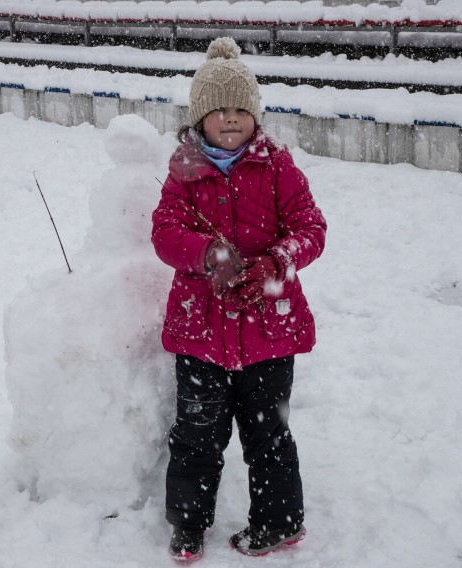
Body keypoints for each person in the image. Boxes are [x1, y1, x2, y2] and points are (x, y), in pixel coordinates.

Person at [151, 37, 327, 561]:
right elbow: (164, 233)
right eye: (219, 111)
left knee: (269, 436)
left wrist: (274, 264)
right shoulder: (183, 172)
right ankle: (187, 525)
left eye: (240, 110)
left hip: (268, 334)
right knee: (196, 437)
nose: (230, 120)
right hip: (200, 333)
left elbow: (310, 229)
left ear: (255, 115)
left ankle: (280, 523)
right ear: (199, 118)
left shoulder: (277, 167)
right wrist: (207, 254)